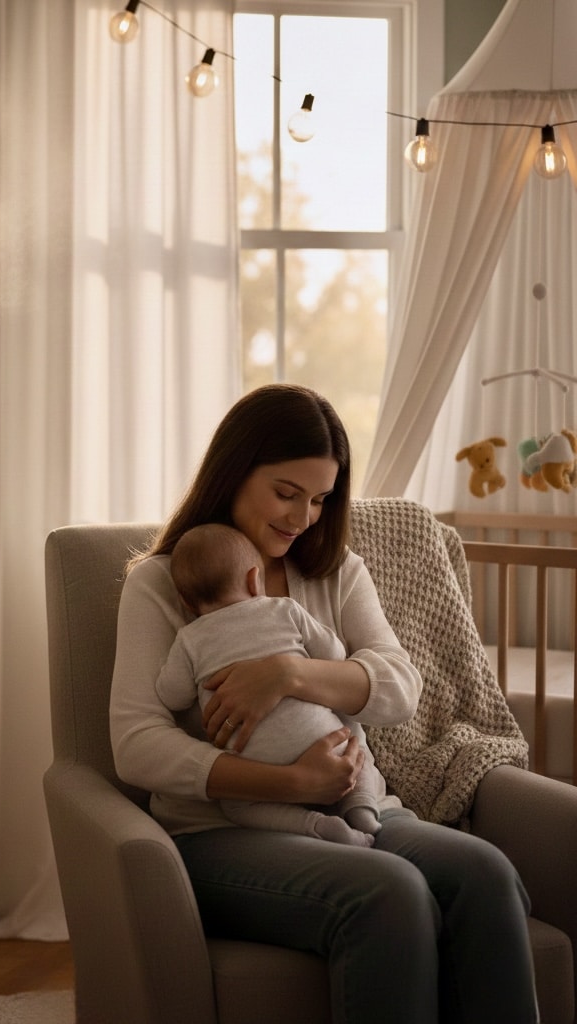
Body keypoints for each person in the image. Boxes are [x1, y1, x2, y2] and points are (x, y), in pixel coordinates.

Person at [109, 383, 538, 1023]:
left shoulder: (336, 573)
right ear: (233, 472)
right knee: (389, 894)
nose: (302, 516)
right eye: (286, 493)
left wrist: (287, 674)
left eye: (318, 499)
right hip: (221, 831)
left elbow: (399, 686)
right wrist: (288, 781)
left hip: (356, 808)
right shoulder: (161, 584)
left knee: (486, 875)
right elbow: (136, 743)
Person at [156, 521, 383, 847]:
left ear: (187, 602)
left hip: (253, 762)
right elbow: (335, 655)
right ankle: (361, 806)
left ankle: (317, 827)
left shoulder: (189, 640)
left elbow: (172, 696)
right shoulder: (284, 609)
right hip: (319, 735)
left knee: (237, 806)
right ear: (254, 578)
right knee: (352, 731)